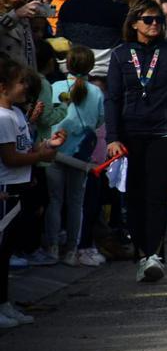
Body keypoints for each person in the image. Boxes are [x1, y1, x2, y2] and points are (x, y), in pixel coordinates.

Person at [106, 0, 167, 280]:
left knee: (157, 194)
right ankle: (142, 254)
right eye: (148, 20)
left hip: (165, 130)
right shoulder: (121, 54)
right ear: (134, 24)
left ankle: (156, 255)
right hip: (131, 133)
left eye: (159, 19)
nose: (156, 24)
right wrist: (112, 136)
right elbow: (113, 98)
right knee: (134, 197)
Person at [0, 57, 66, 327]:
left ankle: (5, 303)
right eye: (21, 83)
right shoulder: (3, 117)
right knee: (2, 251)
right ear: (3, 87)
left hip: (20, 187)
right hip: (6, 191)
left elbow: (26, 148)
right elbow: (11, 158)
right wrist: (40, 157)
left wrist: (48, 146)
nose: (26, 87)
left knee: (8, 250)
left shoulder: (15, 113)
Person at [44, 46, 104, 266]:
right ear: (90, 66)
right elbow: (99, 121)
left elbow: (46, 116)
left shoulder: (55, 87)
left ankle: (51, 248)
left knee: (55, 201)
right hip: (81, 155)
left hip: (54, 151)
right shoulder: (96, 92)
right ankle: (71, 250)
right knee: (76, 202)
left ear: (67, 64)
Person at [0, 0, 41, 68]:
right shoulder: (17, 15)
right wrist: (15, 15)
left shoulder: (25, 18)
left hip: (25, 80)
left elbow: (30, 57)